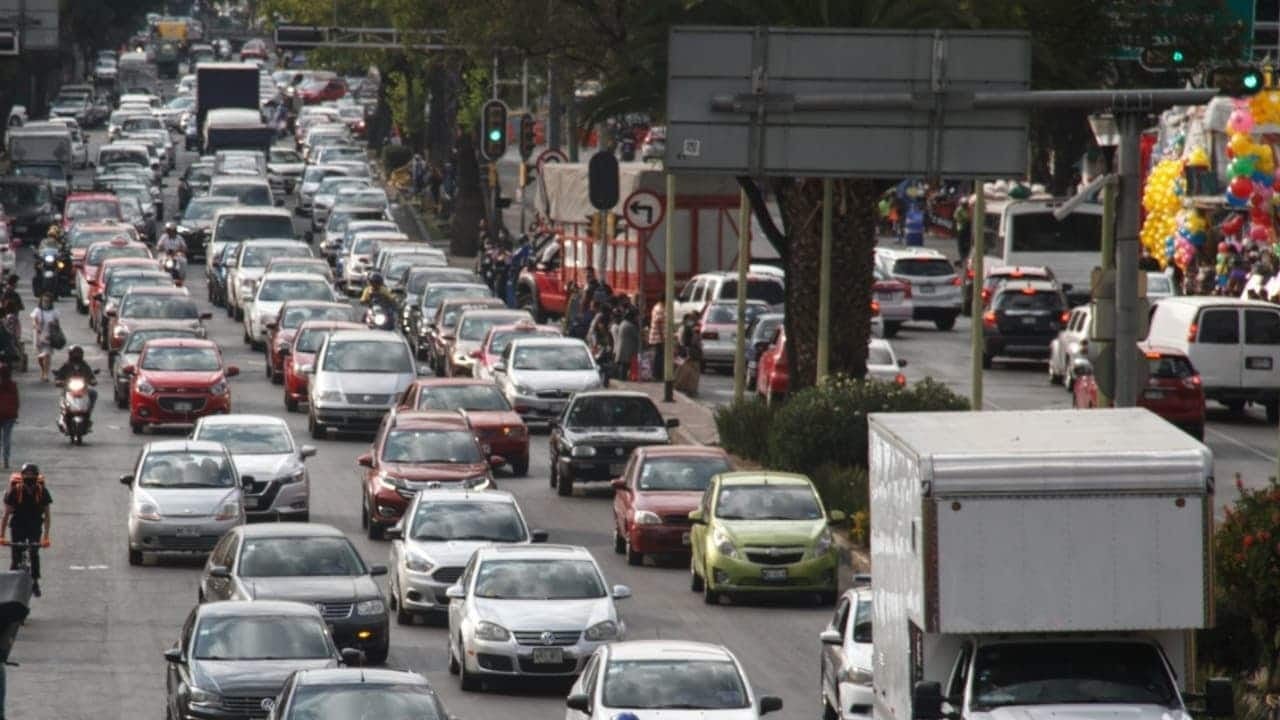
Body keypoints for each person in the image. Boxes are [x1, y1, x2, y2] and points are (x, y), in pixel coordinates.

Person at [1, 463, 51, 597]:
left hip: (34, 526)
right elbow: (6, 515)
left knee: (34, 553)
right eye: (26, 475)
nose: (29, 478)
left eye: (32, 475)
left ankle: (35, 581)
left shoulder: (42, 492)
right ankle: (8, 590)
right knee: (15, 557)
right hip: (18, 526)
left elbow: (47, 515)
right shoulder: (15, 491)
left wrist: (46, 537)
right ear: (22, 477)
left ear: (36, 477)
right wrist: (2, 536)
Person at [53, 345, 97, 412]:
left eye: (78, 353)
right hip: (69, 389)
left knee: (93, 393)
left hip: (83, 389)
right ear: (70, 354)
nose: (76, 355)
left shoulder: (85, 365)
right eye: (74, 353)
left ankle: (88, 410)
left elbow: (91, 375)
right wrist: (59, 381)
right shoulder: (66, 365)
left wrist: (93, 380)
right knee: (63, 394)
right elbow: (59, 375)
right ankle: (64, 411)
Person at [29, 294, 59, 382]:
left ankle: (46, 374)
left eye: (48, 301)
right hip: (39, 336)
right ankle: (43, 370)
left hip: (49, 336)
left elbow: (57, 324)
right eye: (44, 301)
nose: (46, 303)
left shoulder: (54, 312)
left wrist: (54, 324)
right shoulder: (37, 311)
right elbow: (34, 320)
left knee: (47, 355)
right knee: (40, 356)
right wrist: (36, 326)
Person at [613, 306, 640, 380]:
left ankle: (622, 379)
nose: (637, 318)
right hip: (626, 349)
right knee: (624, 365)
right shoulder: (630, 326)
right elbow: (637, 336)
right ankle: (623, 379)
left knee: (623, 365)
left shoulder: (623, 323)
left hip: (623, 348)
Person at [648, 294, 666, 381]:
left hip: (658, 336)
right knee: (658, 357)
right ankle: (657, 375)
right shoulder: (660, 309)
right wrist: (662, 338)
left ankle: (657, 374)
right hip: (658, 336)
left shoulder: (658, 307)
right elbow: (658, 323)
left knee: (658, 356)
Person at [0, 366, 15, 469]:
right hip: (9, 415)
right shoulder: (12, 385)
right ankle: (6, 460)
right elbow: (16, 401)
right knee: (7, 437)